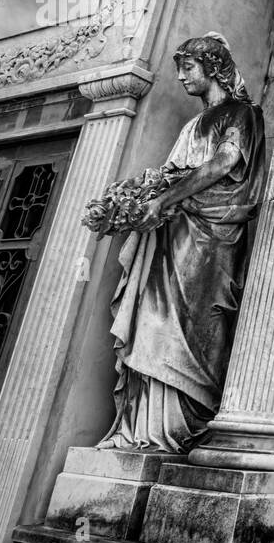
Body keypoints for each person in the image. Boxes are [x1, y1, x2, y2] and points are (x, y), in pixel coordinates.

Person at [98, 33, 265, 454]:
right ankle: (140, 429)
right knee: (152, 320)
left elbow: (225, 162)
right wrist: (146, 200)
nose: (180, 77)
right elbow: (176, 171)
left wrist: (165, 198)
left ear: (213, 67)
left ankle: (176, 427)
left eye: (188, 68)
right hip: (174, 234)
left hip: (211, 239)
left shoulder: (241, 114)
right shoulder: (193, 124)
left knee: (192, 328)